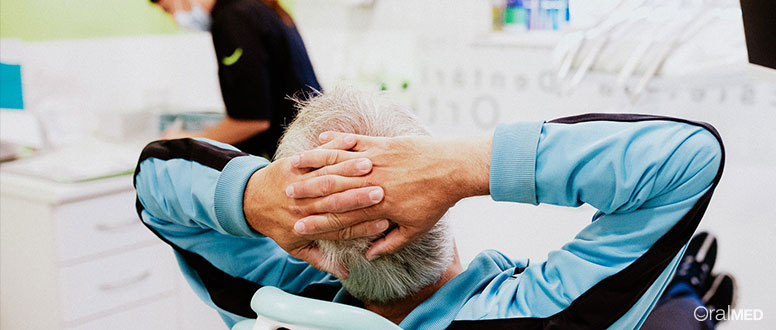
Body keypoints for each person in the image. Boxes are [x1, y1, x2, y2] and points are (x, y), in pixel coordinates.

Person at [133, 88, 725, 329]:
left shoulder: (274, 302)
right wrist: (459, 166)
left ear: (314, 251)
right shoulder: (537, 314)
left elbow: (155, 182)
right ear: (432, 206)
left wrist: (254, 196)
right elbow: (685, 159)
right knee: (689, 310)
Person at [149, 0, 321, 158]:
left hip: (300, 152)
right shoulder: (250, 8)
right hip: (311, 142)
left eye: (168, 9)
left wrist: (186, 140)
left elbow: (252, 120)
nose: (174, 19)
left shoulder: (234, 18)